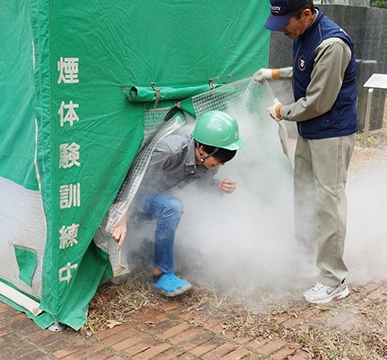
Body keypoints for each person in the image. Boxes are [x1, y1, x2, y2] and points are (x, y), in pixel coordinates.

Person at [253, 0, 357, 304]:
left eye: (286, 22)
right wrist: (275, 74)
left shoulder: (332, 43)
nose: (283, 29)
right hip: (311, 133)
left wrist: (281, 110)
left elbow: (318, 101)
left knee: (328, 202)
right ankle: (304, 257)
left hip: (332, 134)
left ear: (307, 15)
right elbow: (304, 68)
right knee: (305, 194)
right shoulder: (304, 35)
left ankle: (333, 279)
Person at [109, 110, 244, 297]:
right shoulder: (169, 150)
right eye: (219, 159)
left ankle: (153, 256)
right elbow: (130, 181)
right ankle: (161, 274)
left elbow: (201, 185)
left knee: (179, 205)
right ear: (203, 149)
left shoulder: (205, 161)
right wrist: (120, 217)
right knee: (173, 206)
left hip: (159, 201)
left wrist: (219, 186)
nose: (221, 165)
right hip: (135, 200)